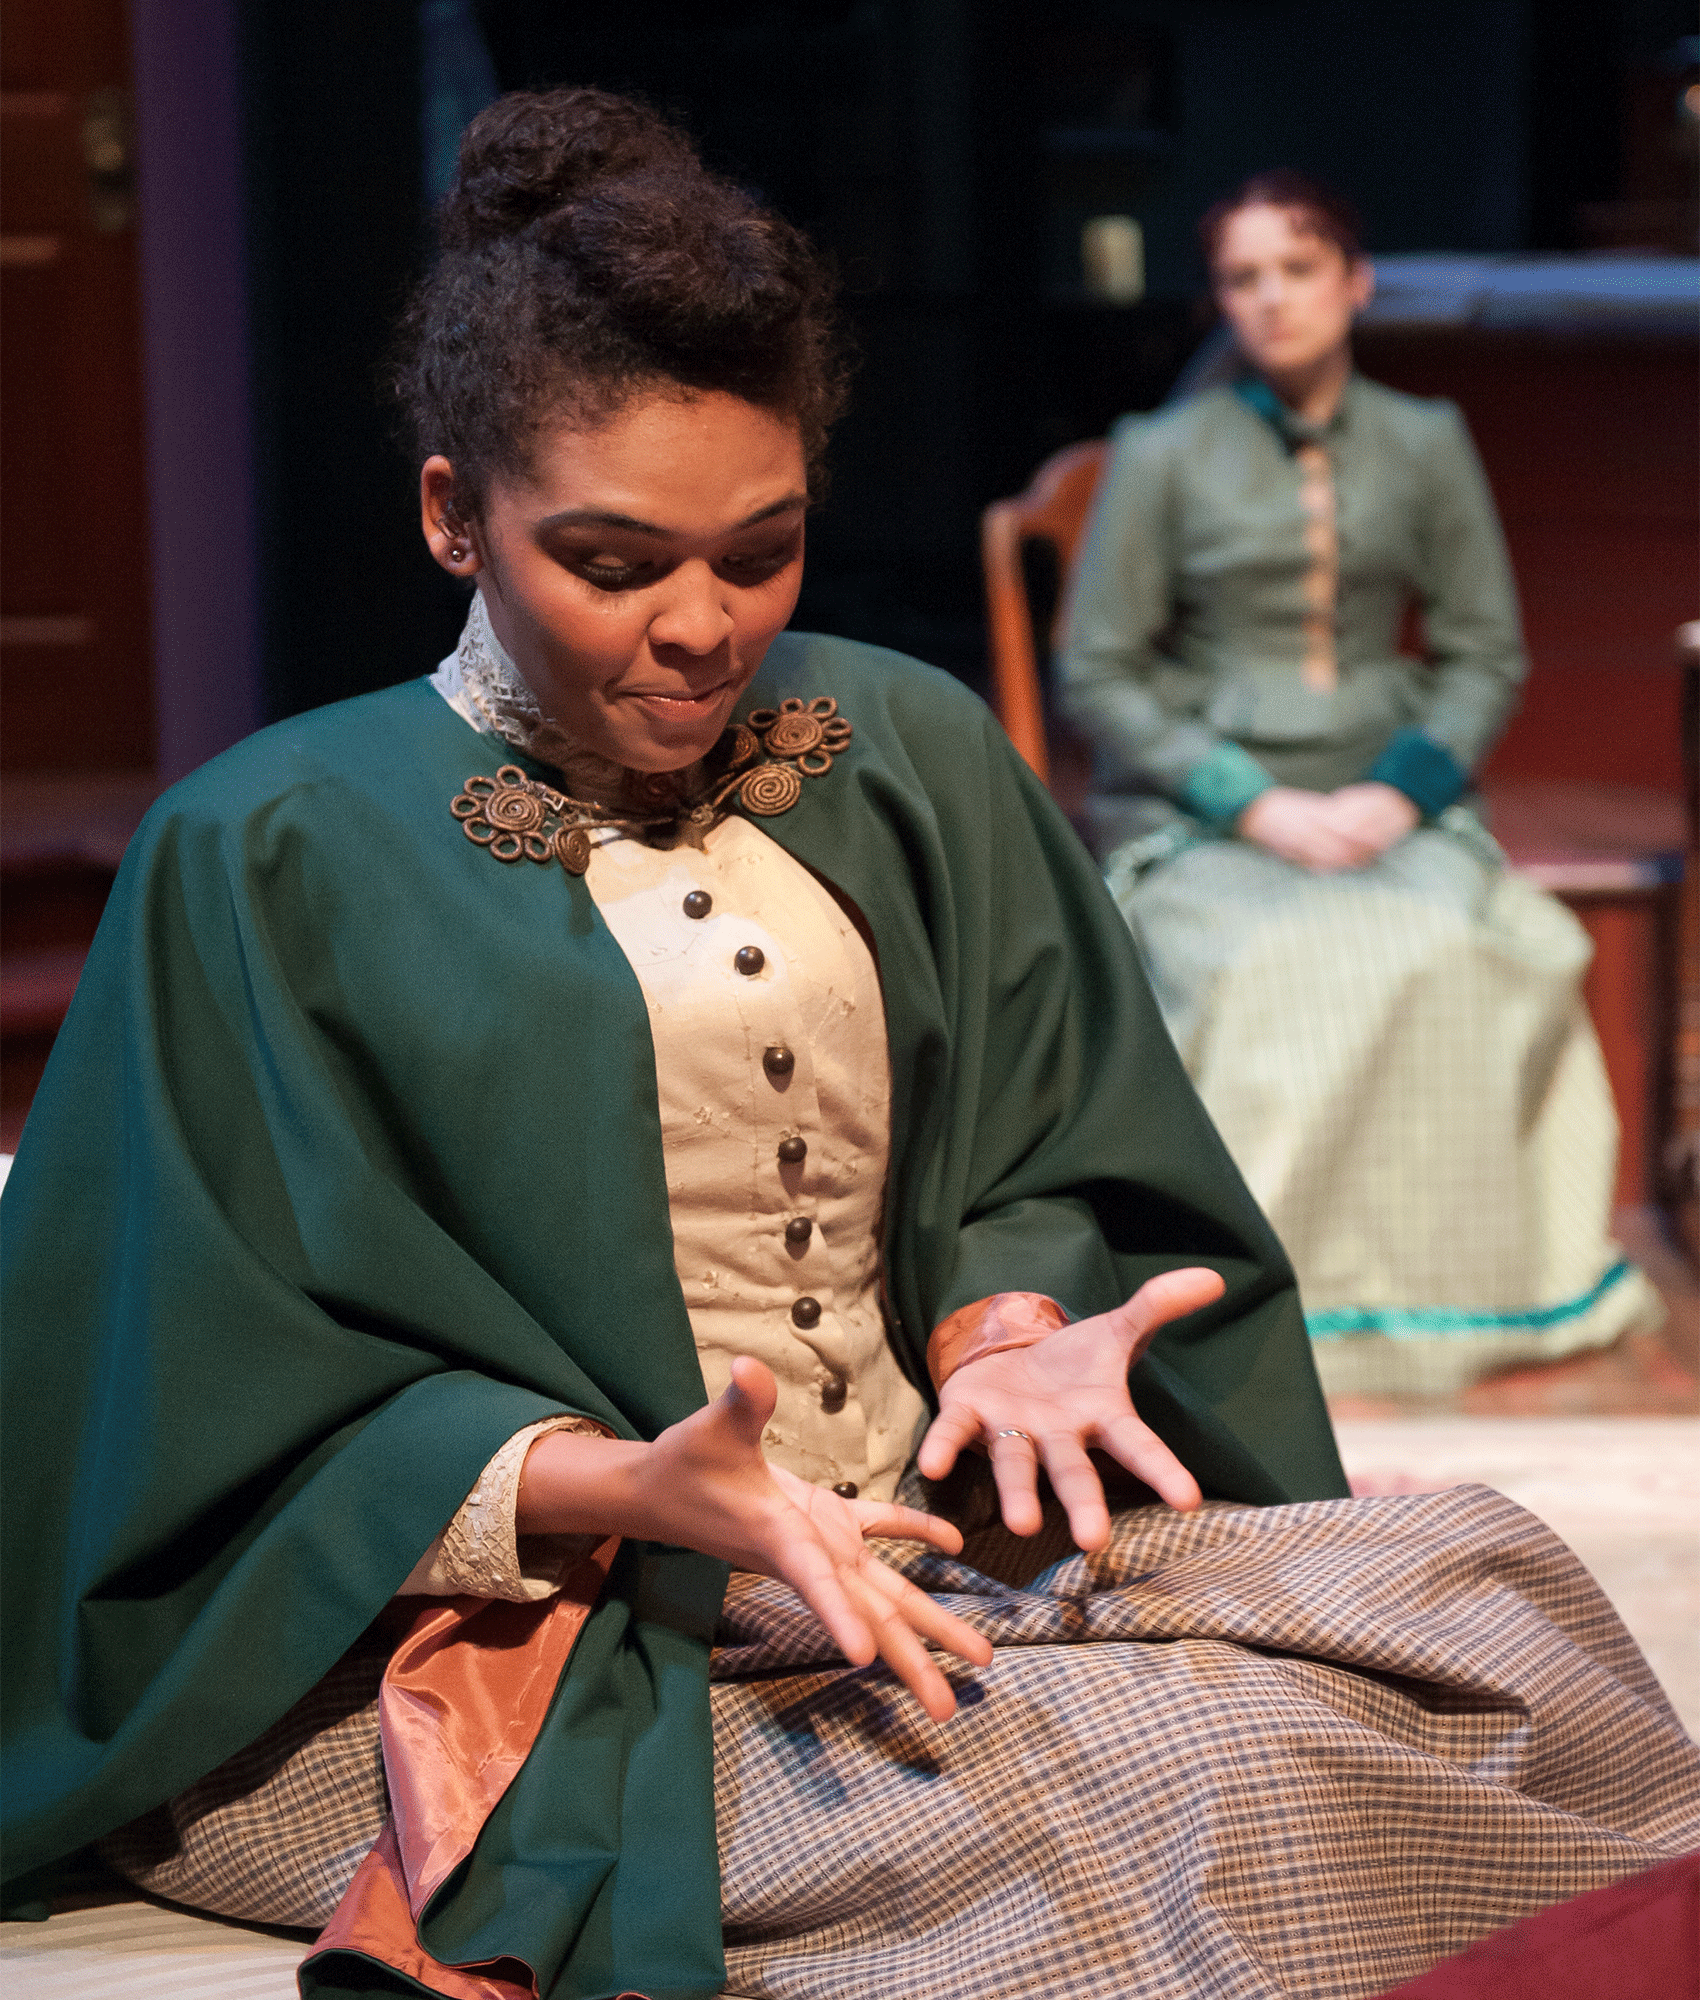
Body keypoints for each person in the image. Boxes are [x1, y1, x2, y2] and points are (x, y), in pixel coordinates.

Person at [3, 98, 1694, 2000]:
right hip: (540, 1620)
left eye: (764, 549)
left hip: (947, 1527)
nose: (703, 628)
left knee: (1500, 1609)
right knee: (1195, 1815)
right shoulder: (269, 849)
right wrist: (630, 1487)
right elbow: (196, 1381)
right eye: (616, 560)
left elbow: (1049, 1140)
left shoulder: (902, 744)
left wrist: (1016, 1325)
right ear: (451, 512)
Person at [1058, 171, 1662, 1403]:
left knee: (1465, 948)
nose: (1269, 300)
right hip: (1204, 811)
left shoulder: (1424, 439)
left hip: (1385, 798)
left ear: (1353, 281)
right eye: (1241, 276)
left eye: (1296, 269)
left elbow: (1483, 650)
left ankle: (1466, 1298)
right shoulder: (1164, 451)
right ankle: (1257, 1311)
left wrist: (1397, 793)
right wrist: (1251, 800)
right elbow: (1099, 667)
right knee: (1255, 965)